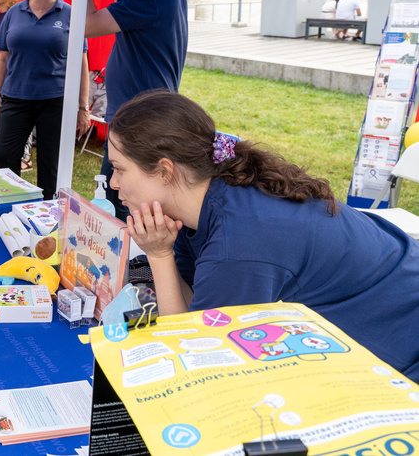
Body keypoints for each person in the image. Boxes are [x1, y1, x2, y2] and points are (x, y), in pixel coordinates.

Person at [107, 90, 419, 381]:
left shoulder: (237, 242)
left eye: (120, 169)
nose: (114, 183)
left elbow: (194, 353)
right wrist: (161, 254)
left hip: (402, 333)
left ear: (165, 171)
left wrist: (159, 257)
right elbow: (193, 309)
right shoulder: (201, 203)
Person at [84, 0, 188, 220]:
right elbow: (143, 41)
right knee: (133, 207)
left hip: (136, 124)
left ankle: (130, 268)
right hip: (146, 118)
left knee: (121, 211)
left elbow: (87, 26)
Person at [0, 0, 90, 200]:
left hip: (55, 100)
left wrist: (82, 107)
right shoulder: (13, 14)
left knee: (50, 165)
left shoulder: (70, 14)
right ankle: (14, 203)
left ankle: (48, 214)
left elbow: (82, 63)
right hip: (16, 97)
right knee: (2, 156)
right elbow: (2, 58)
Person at [0, 0, 33, 170]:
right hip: (2, 74)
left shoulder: (20, 15)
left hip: (18, 77)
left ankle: (25, 156)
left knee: (24, 119)